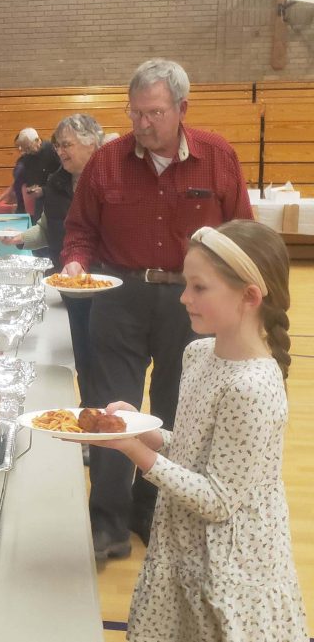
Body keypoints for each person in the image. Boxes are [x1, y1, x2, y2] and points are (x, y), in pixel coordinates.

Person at [61, 58, 253, 560]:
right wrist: (77, 264)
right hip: (118, 296)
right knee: (110, 407)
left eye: (154, 113)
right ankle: (107, 521)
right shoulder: (107, 162)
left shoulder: (218, 157)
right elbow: (79, 230)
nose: (142, 124)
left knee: (174, 410)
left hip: (193, 303)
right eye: (135, 113)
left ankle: (150, 509)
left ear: (181, 109)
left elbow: (243, 235)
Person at [84, 220, 306, 641]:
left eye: (199, 288)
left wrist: (136, 451)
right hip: (181, 546)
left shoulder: (252, 387)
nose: (183, 298)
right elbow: (192, 454)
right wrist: (145, 430)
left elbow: (218, 499)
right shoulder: (199, 353)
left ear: (250, 296)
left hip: (228, 565)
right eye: (186, 284)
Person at [3, 114, 104, 405]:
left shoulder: (111, 180)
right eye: (57, 145)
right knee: (83, 357)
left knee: (108, 361)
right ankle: (89, 412)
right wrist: (20, 239)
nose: (59, 151)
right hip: (74, 286)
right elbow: (48, 228)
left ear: (92, 143)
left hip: (109, 288)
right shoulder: (57, 183)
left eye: (66, 145)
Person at [0, 127, 62, 218]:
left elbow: (62, 175)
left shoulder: (52, 150)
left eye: (29, 148)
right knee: (37, 222)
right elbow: (22, 180)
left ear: (37, 140)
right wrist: (32, 187)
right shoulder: (27, 157)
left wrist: (45, 188)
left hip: (56, 195)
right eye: (25, 149)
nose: (27, 152)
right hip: (40, 198)